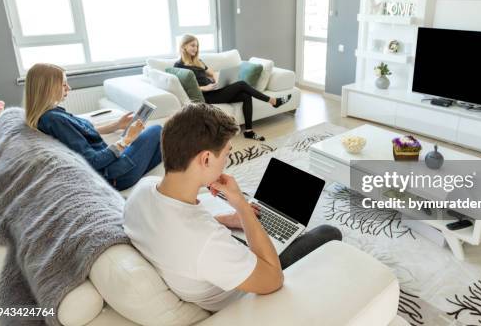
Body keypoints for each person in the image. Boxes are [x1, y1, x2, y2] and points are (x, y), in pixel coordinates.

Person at [124, 103, 341, 311]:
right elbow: (274, 279)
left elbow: (180, 228)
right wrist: (242, 207)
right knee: (329, 232)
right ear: (206, 158)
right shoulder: (207, 242)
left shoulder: (142, 191)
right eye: (227, 153)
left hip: (210, 265)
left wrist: (225, 220)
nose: (227, 161)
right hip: (245, 286)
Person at [24, 63, 162, 191]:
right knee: (157, 131)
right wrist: (127, 139)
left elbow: (81, 132)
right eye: (64, 84)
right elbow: (93, 161)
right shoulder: (54, 120)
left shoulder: (50, 114)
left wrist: (117, 125)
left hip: (114, 167)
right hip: (115, 175)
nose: (69, 88)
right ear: (48, 88)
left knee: (168, 147)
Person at [174, 35, 292, 141]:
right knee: (241, 84)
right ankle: (273, 101)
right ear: (184, 46)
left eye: (197, 46)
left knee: (246, 96)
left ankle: (249, 131)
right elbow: (186, 87)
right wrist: (205, 88)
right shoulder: (178, 65)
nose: (195, 48)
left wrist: (216, 79)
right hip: (206, 95)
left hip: (214, 89)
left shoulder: (198, 61)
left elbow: (211, 72)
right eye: (192, 45)